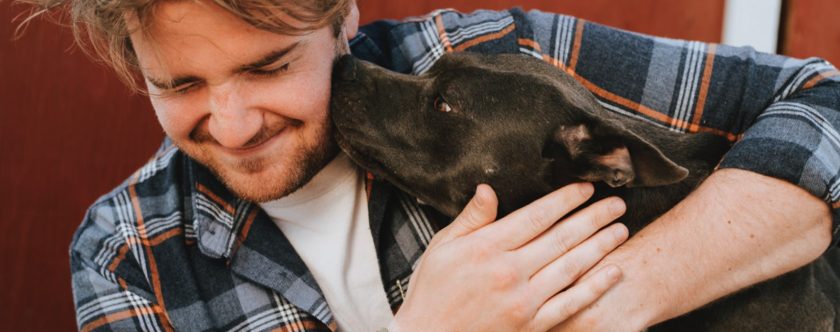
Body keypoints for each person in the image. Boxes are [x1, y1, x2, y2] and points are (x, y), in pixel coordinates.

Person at [22, 0, 837, 330]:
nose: (233, 127)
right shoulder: (127, 260)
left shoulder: (487, 60)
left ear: (342, 19)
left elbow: (824, 101)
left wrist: (620, 300)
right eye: (182, 86)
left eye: (269, 67)